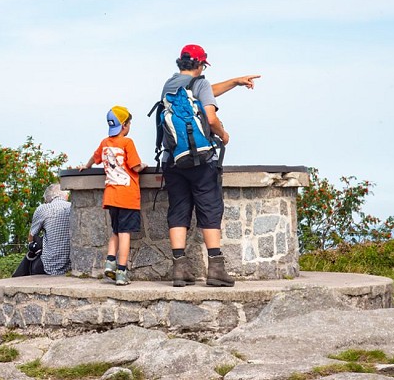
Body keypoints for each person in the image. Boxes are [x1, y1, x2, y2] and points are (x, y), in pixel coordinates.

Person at [160, 44, 260, 287]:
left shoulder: (169, 85)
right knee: (209, 209)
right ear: (200, 65)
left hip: (173, 159)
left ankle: (179, 269)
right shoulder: (200, 84)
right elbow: (211, 117)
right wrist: (223, 134)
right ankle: (215, 269)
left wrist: (234, 82)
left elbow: (204, 91)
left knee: (178, 210)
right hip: (201, 160)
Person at [79, 106, 147, 286]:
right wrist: (143, 165)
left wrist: (86, 166)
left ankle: (110, 262)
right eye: (129, 123)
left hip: (111, 196)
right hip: (127, 196)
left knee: (115, 231)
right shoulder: (127, 142)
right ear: (124, 125)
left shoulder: (105, 143)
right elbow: (135, 167)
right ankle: (122, 272)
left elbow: (95, 158)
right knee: (125, 234)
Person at [25, 183, 72, 275]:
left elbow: (31, 237)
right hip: (71, 264)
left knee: (29, 263)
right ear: (65, 195)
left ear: (48, 198)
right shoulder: (72, 207)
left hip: (50, 266)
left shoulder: (43, 209)